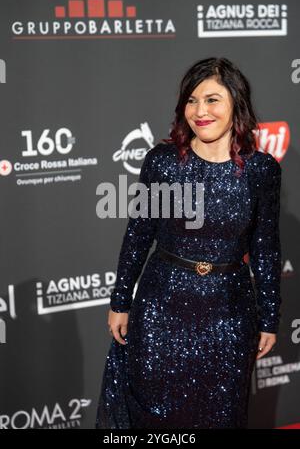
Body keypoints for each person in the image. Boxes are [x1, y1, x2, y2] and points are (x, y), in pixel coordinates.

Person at [95, 57, 282, 429]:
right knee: (154, 418)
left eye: (212, 100)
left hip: (229, 316)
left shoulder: (262, 170)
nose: (200, 111)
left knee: (221, 415)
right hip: (160, 310)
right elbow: (138, 233)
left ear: (235, 105)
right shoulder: (163, 163)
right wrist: (120, 300)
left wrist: (270, 317)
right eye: (192, 101)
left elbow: (265, 247)